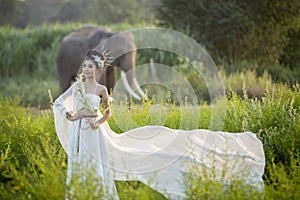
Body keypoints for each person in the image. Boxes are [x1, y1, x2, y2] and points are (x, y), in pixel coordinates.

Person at [53, 49, 265, 199]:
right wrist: (67, 114)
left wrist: (98, 122)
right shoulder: (77, 87)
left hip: (94, 131)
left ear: (97, 69)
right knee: (78, 164)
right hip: (78, 134)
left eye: (90, 66)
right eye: (85, 66)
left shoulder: (101, 90)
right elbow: (60, 101)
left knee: (99, 164)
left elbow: (108, 113)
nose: (86, 69)